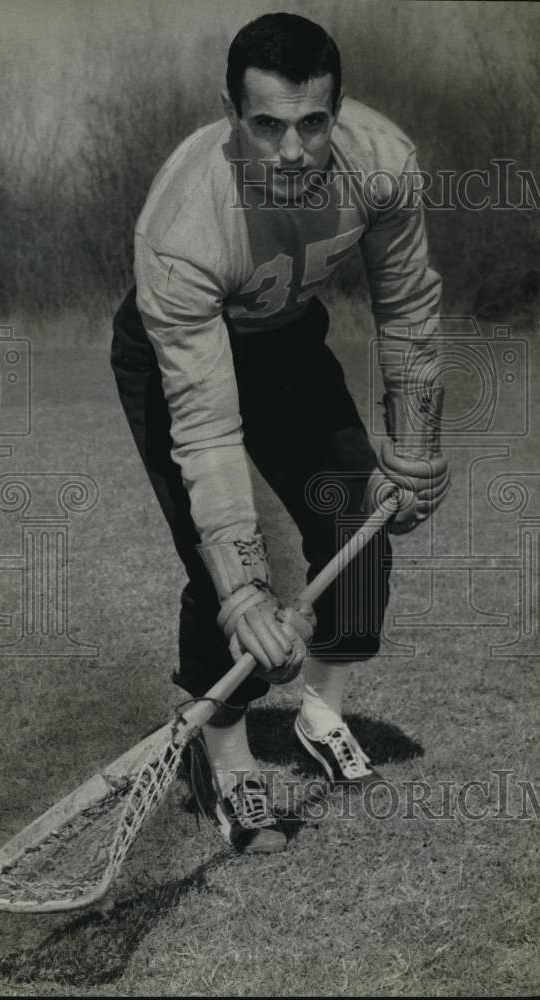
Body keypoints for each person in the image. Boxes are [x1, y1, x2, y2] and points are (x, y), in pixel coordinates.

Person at [111, 12, 450, 853]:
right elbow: (205, 423)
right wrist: (238, 581)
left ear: (337, 109)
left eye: (312, 122)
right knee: (219, 567)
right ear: (231, 114)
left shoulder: (383, 164)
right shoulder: (183, 223)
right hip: (178, 363)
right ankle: (224, 764)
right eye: (266, 125)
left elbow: (406, 309)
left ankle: (319, 713)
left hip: (286, 341)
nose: (293, 150)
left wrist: (412, 445)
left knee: (361, 517)